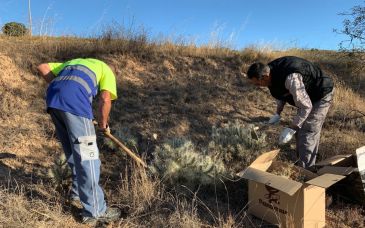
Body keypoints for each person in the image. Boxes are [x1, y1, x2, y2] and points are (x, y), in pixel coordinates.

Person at [37, 58, 121, 224]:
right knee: (88, 158)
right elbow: (105, 99)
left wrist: (63, 89)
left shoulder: (75, 62)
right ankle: (95, 211)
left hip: (54, 101)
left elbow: (42, 67)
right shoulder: (107, 70)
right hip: (75, 104)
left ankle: (77, 194)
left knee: (73, 153)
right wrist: (104, 124)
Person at [246, 56, 334, 169]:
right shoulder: (269, 73)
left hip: (321, 93)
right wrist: (278, 113)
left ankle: (307, 171)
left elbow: (306, 107)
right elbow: (281, 93)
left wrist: (292, 128)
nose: (257, 87)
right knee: (300, 131)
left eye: (257, 84)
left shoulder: (291, 78)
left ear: (265, 77)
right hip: (307, 96)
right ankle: (303, 162)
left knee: (307, 131)